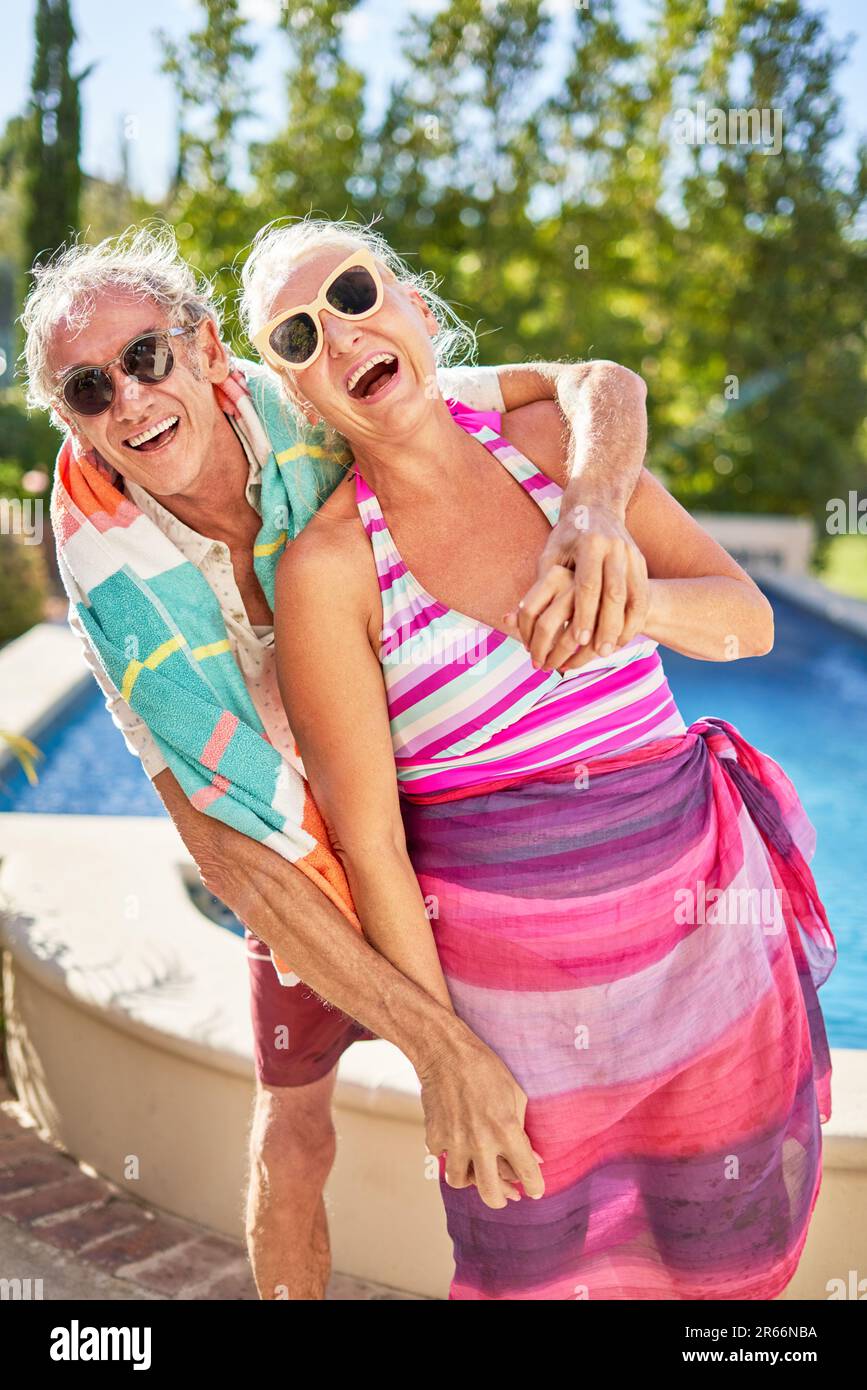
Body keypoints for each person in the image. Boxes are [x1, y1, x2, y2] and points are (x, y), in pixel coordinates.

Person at [23, 224, 651, 1300]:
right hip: (291, 853)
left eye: (144, 357)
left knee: (571, 1115)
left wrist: (592, 510)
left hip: (436, 798)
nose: (127, 400)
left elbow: (596, 382)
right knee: (295, 1135)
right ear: (74, 421)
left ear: (208, 348)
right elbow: (226, 855)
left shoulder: (318, 392)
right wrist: (435, 1045)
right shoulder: (103, 572)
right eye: (88, 389)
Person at [241, 217, 838, 1300]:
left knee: (728, 1265)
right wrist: (445, 1062)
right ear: (300, 398)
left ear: (417, 310)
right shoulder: (331, 568)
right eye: (295, 336)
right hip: (519, 1040)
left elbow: (746, 621)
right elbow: (373, 845)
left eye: (356, 294)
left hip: (708, 977)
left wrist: (630, 595)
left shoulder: (557, 452)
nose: (336, 336)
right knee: (536, 1276)